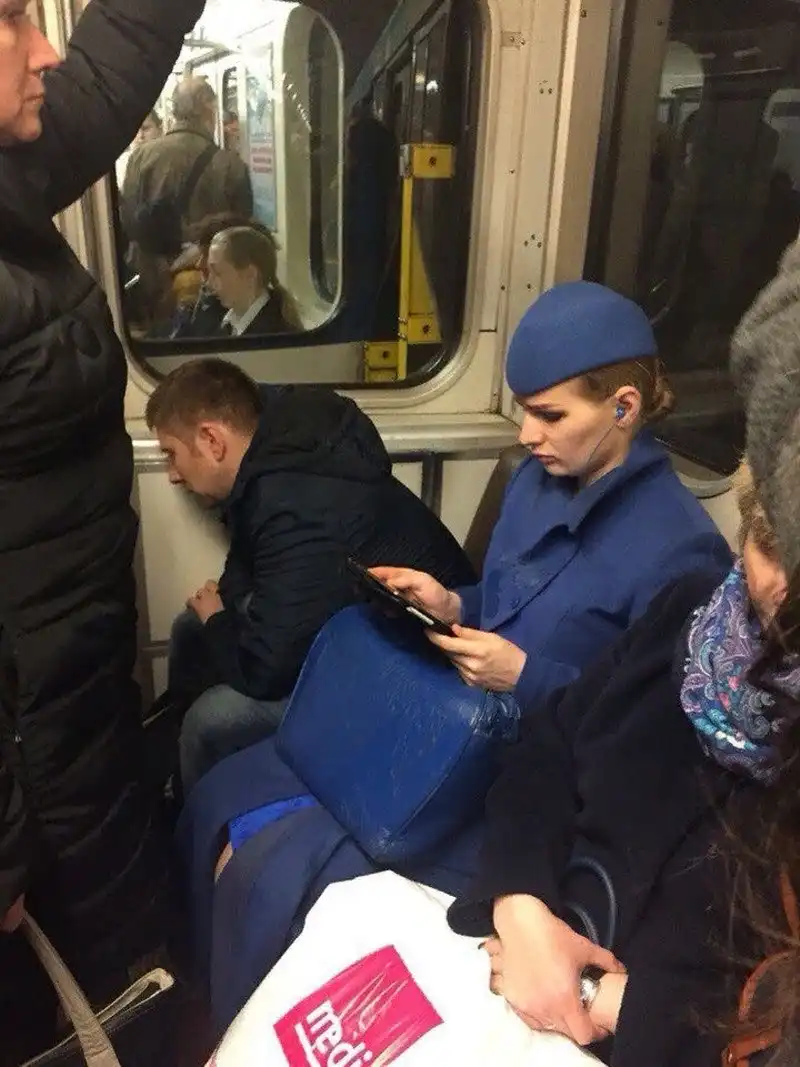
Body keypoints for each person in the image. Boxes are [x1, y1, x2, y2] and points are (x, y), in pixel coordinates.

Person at [0, 0, 206, 1060]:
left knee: (128, 986)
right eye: (11, 18)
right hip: (29, 778)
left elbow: (98, 79)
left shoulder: (8, 174)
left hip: (72, 704)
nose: (46, 50)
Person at [375, 280, 732, 709]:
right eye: (524, 411)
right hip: (470, 711)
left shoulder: (684, 551)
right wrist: (454, 606)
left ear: (624, 407)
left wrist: (525, 678)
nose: (527, 435)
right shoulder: (532, 480)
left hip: (550, 744)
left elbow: (652, 715)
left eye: (550, 416)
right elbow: (510, 607)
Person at [146, 359, 475, 794]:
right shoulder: (271, 458)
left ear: (212, 440)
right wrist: (219, 616)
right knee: (190, 628)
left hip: (412, 666)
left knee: (213, 720)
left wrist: (219, 620)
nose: (172, 475)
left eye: (171, 454)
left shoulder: (300, 503)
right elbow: (244, 570)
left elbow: (266, 673)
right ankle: (172, 755)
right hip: (356, 625)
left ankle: (192, 814)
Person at [206, 226, 303, 335]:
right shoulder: (221, 320)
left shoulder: (277, 335)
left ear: (250, 274)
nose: (209, 283)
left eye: (217, 272)